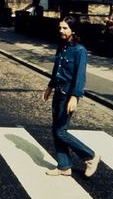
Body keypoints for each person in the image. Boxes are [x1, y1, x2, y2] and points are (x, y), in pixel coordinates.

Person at [43, 16, 101, 177]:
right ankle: (64, 166)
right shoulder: (62, 46)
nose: (61, 30)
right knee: (56, 130)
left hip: (68, 95)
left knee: (61, 131)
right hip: (58, 93)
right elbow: (57, 69)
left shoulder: (79, 50)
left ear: (73, 30)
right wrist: (49, 87)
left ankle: (90, 156)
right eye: (60, 27)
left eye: (65, 28)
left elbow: (80, 76)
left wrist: (75, 97)